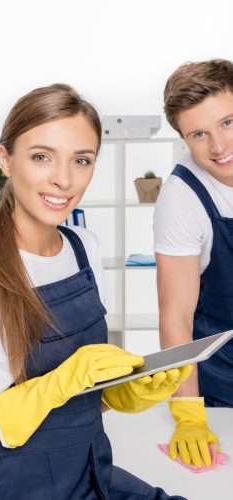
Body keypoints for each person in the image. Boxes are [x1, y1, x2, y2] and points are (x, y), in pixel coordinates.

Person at [0, 83, 190, 499]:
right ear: (5, 159)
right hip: (5, 486)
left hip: (88, 469)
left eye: (82, 160)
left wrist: (116, 394)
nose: (63, 179)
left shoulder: (85, 249)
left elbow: (73, 404)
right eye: (41, 157)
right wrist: (49, 387)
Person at [154, 58, 233, 468]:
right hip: (226, 386)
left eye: (228, 123)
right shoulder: (182, 198)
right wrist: (189, 414)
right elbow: (175, 316)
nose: (218, 148)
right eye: (199, 134)